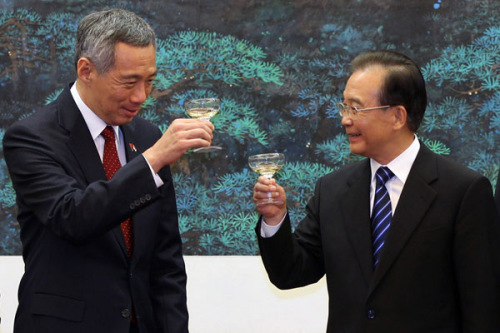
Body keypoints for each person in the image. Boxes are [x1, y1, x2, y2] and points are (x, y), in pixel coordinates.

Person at [252, 50, 500, 332]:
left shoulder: (463, 191)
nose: (345, 119)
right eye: (344, 107)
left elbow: (482, 307)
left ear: (397, 116)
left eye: (355, 108)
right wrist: (274, 219)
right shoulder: (332, 191)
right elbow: (290, 273)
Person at [3, 9, 214, 333]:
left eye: (149, 81)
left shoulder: (146, 137)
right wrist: (151, 161)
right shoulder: (31, 137)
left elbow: (165, 260)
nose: (140, 96)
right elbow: (71, 216)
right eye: (128, 82)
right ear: (86, 70)